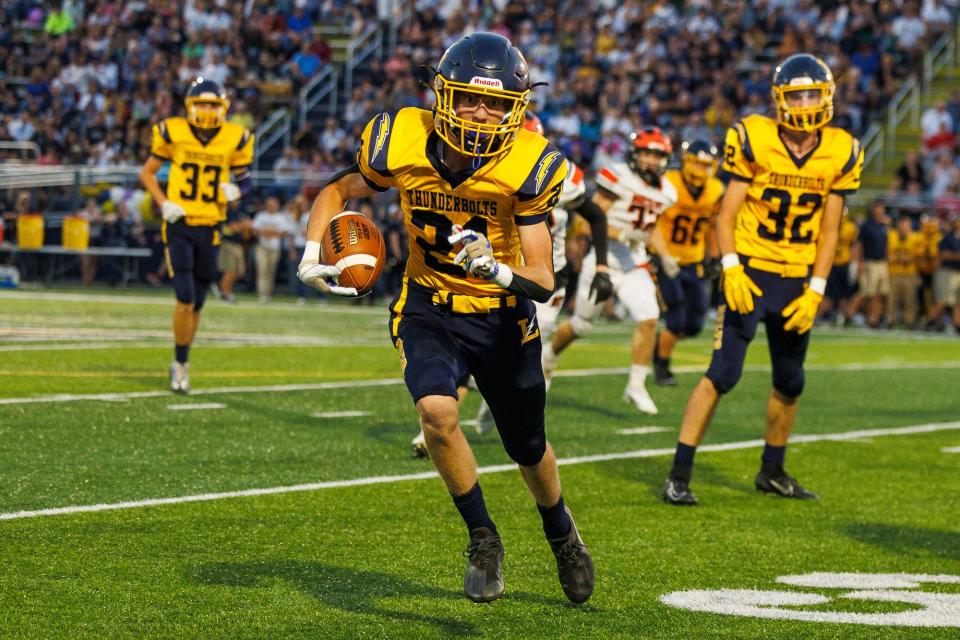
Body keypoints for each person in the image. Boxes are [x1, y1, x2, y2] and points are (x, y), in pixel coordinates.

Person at [297, 33, 594, 605]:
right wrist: (314, 252)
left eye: (497, 104)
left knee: (527, 446)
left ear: (517, 110)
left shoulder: (530, 164)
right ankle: (483, 536)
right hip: (428, 303)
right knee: (436, 412)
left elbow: (542, 277)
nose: (481, 114)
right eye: (469, 99)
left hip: (503, 314)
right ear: (443, 95)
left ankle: (562, 535)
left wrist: (498, 271)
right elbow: (339, 189)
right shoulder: (401, 138)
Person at [662, 54, 863, 505]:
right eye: (798, 95)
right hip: (750, 271)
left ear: (828, 96)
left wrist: (816, 289)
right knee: (723, 373)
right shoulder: (753, 135)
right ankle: (679, 472)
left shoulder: (841, 148)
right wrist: (731, 267)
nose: (807, 103)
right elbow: (727, 215)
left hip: (796, 278)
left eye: (813, 93)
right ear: (779, 99)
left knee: (791, 381)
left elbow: (830, 231)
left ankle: (772, 470)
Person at [541, 126, 678, 415]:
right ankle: (549, 358)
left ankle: (636, 385)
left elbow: (650, 229)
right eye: (647, 154)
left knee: (650, 316)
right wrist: (621, 233)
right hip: (604, 259)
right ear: (635, 154)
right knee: (581, 326)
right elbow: (589, 222)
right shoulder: (618, 177)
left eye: (658, 155)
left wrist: (666, 256)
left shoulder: (666, 192)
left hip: (633, 263)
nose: (652, 161)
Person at [140, 78, 255, 393]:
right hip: (179, 223)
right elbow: (147, 172)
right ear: (190, 106)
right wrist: (164, 204)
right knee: (185, 295)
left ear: (224, 108)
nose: (206, 110)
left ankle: (182, 358)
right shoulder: (172, 131)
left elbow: (246, 182)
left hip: (211, 227)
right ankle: (180, 364)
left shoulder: (236, 137)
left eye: (213, 105)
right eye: (201, 104)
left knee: (199, 301)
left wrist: (236, 191)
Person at [652, 139, 725, 386]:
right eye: (698, 163)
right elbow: (651, 221)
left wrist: (715, 256)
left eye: (707, 165)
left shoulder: (715, 189)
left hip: (693, 261)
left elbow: (713, 226)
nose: (702, 170)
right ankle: (662, 367)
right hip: (666, 259)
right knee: (677, 315)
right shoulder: (668, 183)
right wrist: (659, 254)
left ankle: (662, 343)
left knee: (694, 324)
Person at [820, 207, 859, 326]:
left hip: (844, 264)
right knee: (828, 293)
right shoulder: (828, 226)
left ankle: (843, 317)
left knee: (844, 294)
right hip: (831, 263)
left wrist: (854, 262)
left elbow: (855, 245)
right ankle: (824, 316)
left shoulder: (850, 228)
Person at [886, 215, 922, 328]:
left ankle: (910, 322)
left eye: (906, 225)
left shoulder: (916, 237)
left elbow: (920, 255)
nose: (904, 227)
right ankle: (890, 321)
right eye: (902, 224)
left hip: (910, 273)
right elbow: (885, 251)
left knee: (910, 300)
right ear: (898, 225)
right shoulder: (891, 235)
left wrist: (909, 258)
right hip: (893, 272)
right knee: (891, 300)